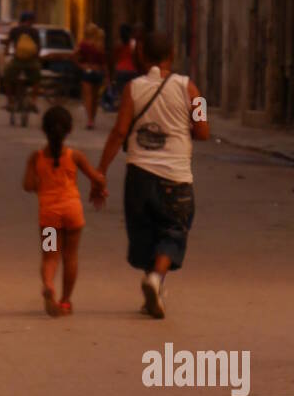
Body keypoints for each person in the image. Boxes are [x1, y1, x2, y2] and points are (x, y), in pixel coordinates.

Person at [97, 30, 210, 318]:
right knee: (172, 231)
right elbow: (204, 131)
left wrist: (100, 171)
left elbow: (119, 131)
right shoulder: (190, 88)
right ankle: (156, 278)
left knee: (146, 232)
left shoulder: (132, 88)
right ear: (172, 55)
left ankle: (154, 289)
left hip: (139, 175)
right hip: (176, 177)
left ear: (142, 56)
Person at [23, 105, 106, 317]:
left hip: (49, 216)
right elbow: (96, 177)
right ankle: (66, 301)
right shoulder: (75, 156)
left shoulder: (36, 157)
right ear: (69, 130)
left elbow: (29, 185)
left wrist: (39, 178)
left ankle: (49, 284)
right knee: (70, 257)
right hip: (72, 213)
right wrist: (100, 189)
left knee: (50, 257)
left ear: (44, 130)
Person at [3, 10, 42, 107]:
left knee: (7, 78)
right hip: (31, 61)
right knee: (37, 79)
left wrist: (6, 52)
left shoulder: (15, 30)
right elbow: (38, 47)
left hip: (18, 61)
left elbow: (8, 43)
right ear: (30, 20)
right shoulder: (34, 31)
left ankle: (10, 101)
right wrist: (37, 56)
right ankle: (33, 101)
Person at [74, 22, 108, 129]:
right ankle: (92, 118)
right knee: (95, 98)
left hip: (87, 71)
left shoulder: (83, 44)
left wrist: (81, 65)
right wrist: (107, 76)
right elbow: (104, 62)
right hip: (98, 72)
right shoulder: (99, 45)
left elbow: (74, 55)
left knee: (87, 98)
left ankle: (89, 120)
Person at [112, 23, 138, 96]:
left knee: (121, 94)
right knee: (131, 93)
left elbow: (115, 59)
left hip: (120, 70)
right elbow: (135, 57)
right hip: (132, 70)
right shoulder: (133, 43)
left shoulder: (118, 44)